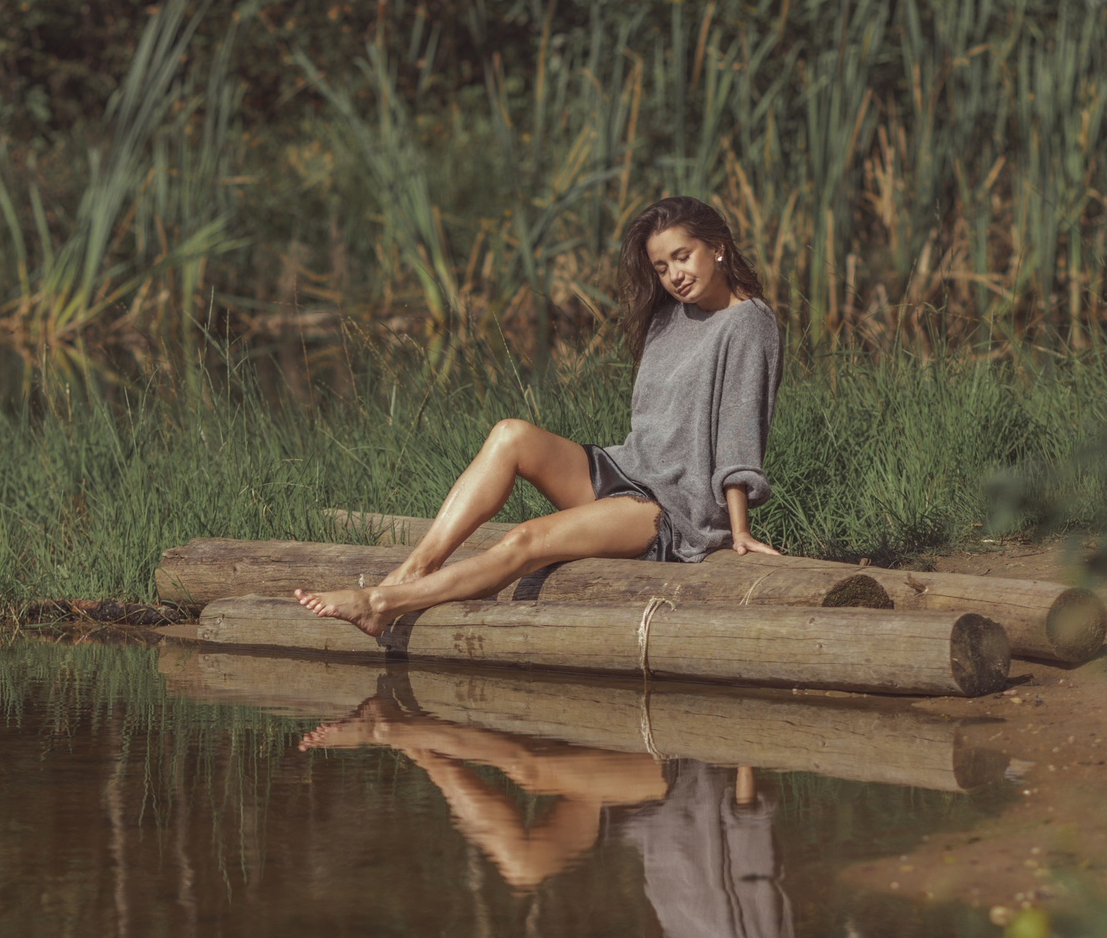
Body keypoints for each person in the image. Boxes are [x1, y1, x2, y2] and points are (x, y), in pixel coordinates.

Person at [294, 196, 784, 637]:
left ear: (717, 247)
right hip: (627, 469)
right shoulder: (668, 317)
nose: (674, 275)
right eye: (661, 267)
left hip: (672, 510)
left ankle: (380, 603)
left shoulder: (748, 323)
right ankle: (414, 569)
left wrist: (735, 530)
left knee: (526, 537)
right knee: (510, 435)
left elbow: (737, 434)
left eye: (683, 256)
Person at [299, 697, 794, 938]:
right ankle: (394, 728)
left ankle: (410, 742)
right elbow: (751, 842)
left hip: (635, 812)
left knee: (523, 865)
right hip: (684, 782)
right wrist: (741, 749)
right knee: (528, 770)